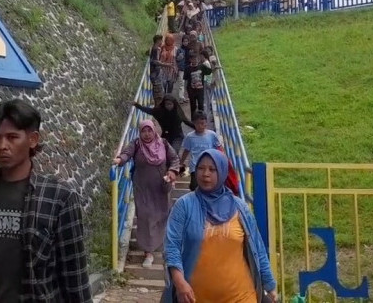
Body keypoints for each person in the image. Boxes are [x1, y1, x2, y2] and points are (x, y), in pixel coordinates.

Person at [0, 100, 92, 303]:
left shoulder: (59, 198)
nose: (2, 146)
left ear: (32, 139)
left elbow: (74, 276)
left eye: (12, 137)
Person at [163, 149, 278, 303]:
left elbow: (258, 248)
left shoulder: (240, 207)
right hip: (195, 297)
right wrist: (180, 282)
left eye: (212, 169)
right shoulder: (184, 205)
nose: (205, 174)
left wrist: (270, 286)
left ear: (223, 171)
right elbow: (172, 247)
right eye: (201, 168)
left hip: (241, 296)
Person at [113, 120, 180, 269]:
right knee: (145, 217)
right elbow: (126, 154)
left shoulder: (163, 143)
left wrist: (172, 171)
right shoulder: (136, 144)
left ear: (154, 130)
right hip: (142, 188)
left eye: (149, 130)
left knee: (161, 215)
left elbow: (175, 159)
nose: (147, 134)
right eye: (144, 131)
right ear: (140, 132)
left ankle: (162, 246)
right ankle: (148, 252)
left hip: (160, 188)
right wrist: (119, 160)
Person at [179, 111, 221, 190]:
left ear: (206, 123)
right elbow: (186, 150)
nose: (200, 126)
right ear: (194, 123)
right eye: (198, 123)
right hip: (195, 166)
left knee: (208, 186)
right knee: (194, 186)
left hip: (210, 165)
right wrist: (181, 163)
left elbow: (218, 149)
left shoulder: (212, 135)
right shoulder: (190, 137)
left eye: (202, 123)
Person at [184, 52, 212, 119]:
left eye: (196, 58)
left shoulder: (202, 66)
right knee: (193, 106)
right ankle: (193, 120)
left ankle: (201, 119)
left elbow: (209, 72)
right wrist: (186, 90)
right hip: (191, 90)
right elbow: (186, 80)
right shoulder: (187, 68)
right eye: (193, 59)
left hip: (200, 90)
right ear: (190, 60)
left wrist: (214, 66)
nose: (195, 60)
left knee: (201, 105)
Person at [150, 34, 165, 106]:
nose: (162, 42)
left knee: (159, 95)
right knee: (159, 96)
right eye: (161, 40)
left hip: (155, 74)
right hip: (156, 75)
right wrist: (166, 64)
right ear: (158, 40)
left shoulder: (154, 48)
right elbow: (155, 62)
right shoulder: (156, 49)